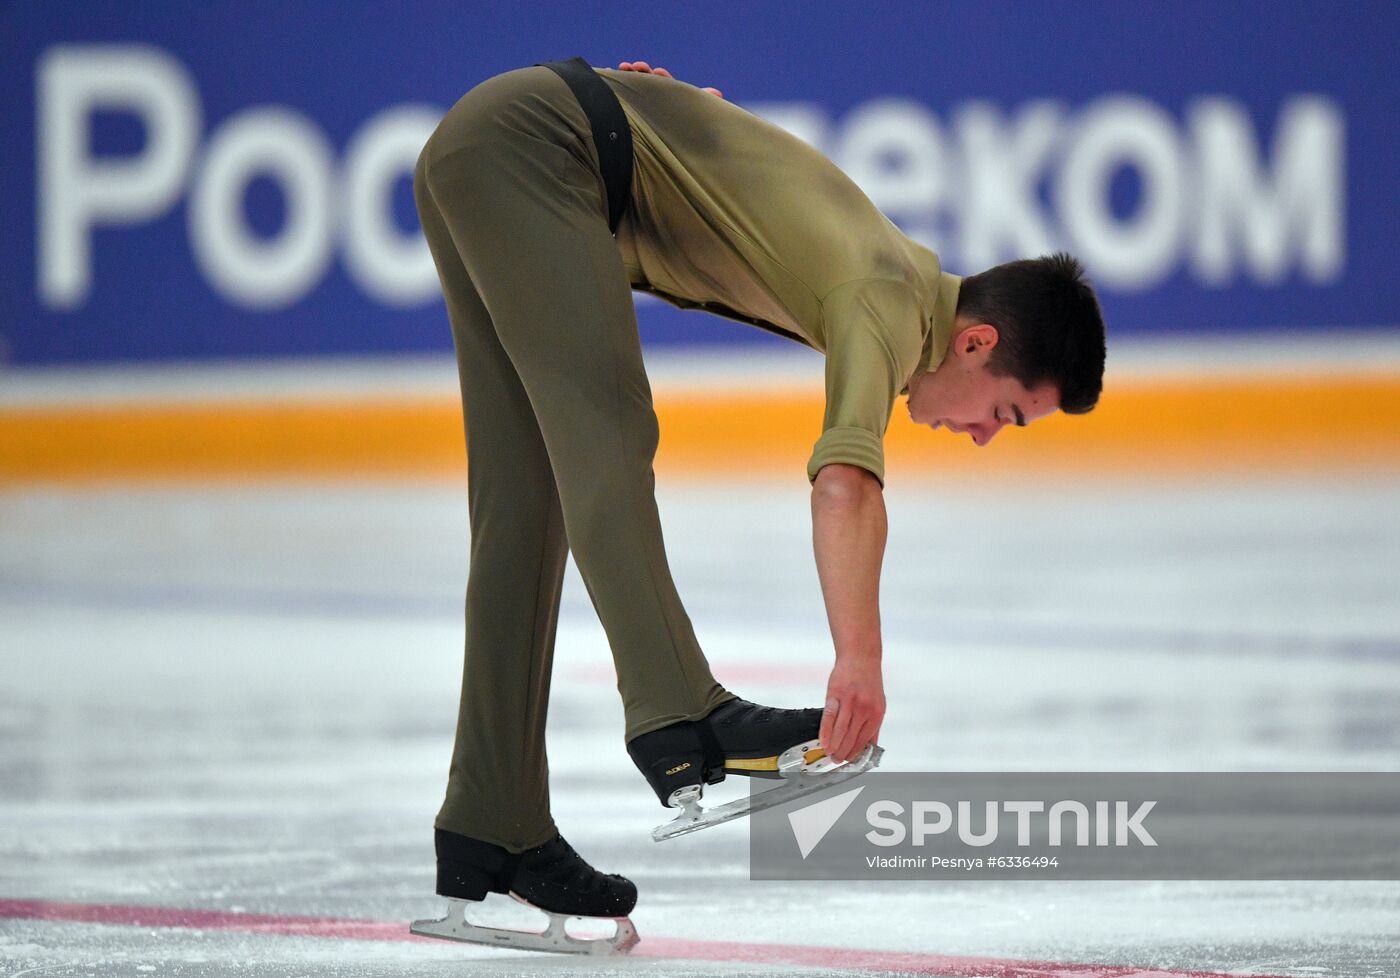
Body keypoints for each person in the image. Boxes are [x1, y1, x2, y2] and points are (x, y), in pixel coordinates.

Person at [408, 57, 1106, 954]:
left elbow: (745, 162)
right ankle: (677, 713)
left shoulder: (895, 274)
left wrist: (657, 111)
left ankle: (489, 823)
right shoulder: (882, 300)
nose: (984, 436)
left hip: (493, 149)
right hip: (535, 151)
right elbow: (845, 482)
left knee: (525, 504)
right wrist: (860, 663)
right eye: (1006, 412)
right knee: (608, 434)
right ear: (976, 342)